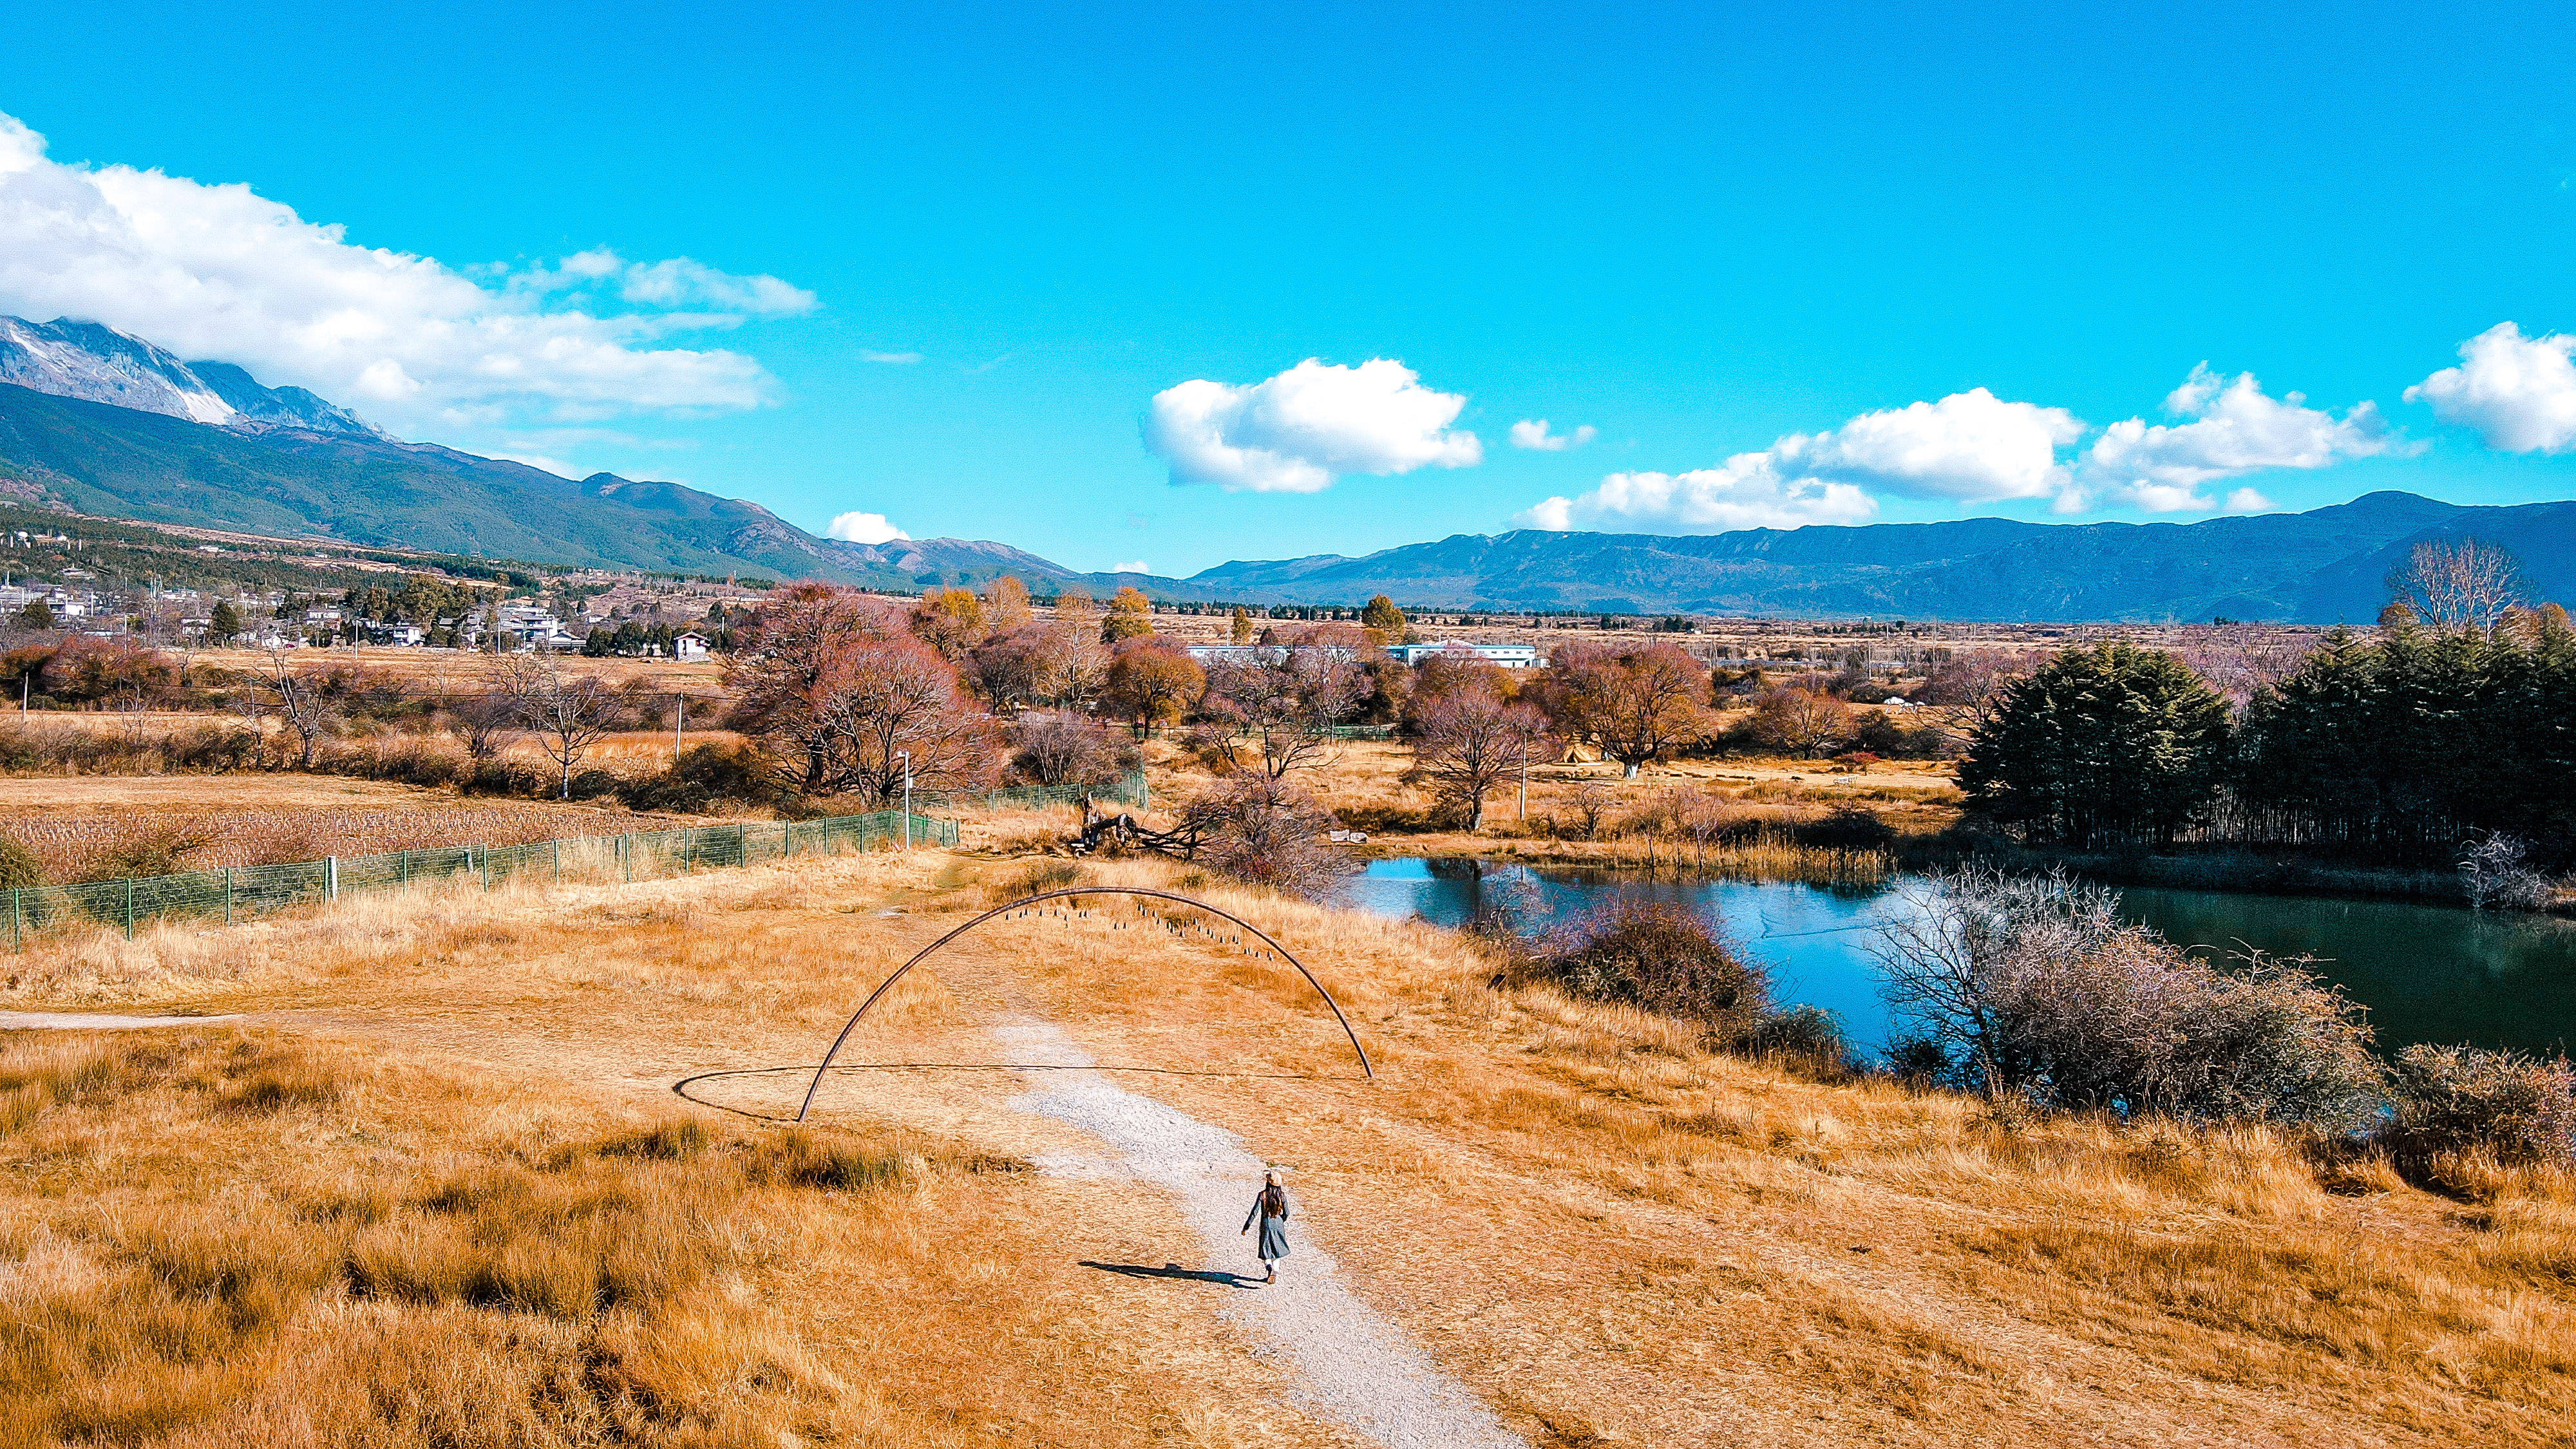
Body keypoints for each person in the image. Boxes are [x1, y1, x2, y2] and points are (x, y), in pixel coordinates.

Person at [1240, 1168, 1291, 1283]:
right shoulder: (1281, 1195)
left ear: (1268, 1182)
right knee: (1278, 1248)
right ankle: (1275, 1271)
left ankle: (1269, 1268)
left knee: (1266, 1249)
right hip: (1278, 1224)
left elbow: (1254, 1212)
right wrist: (1281, 1220)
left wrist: (1246, 1227)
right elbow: (1287, 1213)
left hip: (1266, 1225)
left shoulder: (1262, 1195)